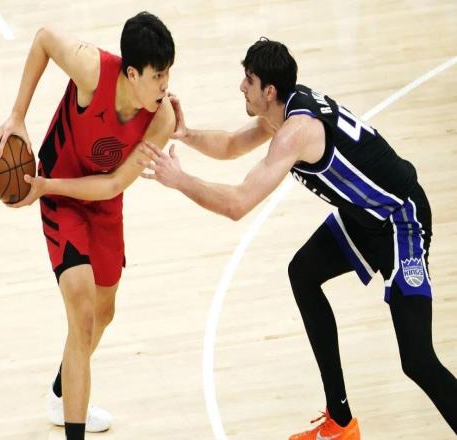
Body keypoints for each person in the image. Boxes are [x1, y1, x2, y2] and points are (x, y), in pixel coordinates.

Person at [138, 38, 457, 439]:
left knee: (417, 360)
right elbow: (232, 145)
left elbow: (237, 204)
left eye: (248, 80)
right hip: (363, 218)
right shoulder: (283, 110)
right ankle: (341, 422)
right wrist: (187, 135)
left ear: (269, 90)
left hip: (399, 219)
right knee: (303, 273)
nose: (241, 87)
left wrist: (180, 180)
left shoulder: (296, 132)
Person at [0, 12, 175, 440]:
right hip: (60, 197)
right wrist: (17, 116)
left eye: (168, 73)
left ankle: (61, 392)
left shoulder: (161, 119)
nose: (166, 86)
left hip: (101, 201)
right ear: (132, 73)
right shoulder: (92, 68)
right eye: (158, 76)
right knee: (83, 314)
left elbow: (112, 185)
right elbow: (43, 38)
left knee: (104, 312)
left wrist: (46, 185)